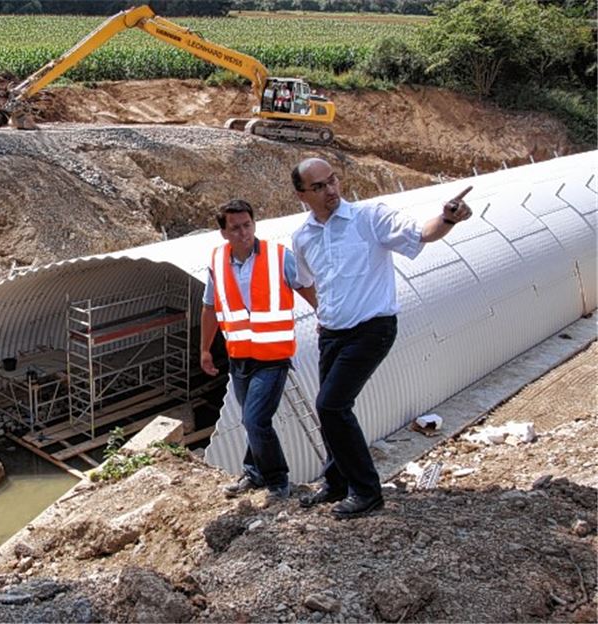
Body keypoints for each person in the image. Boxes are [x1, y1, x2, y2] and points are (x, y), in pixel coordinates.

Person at [290, 157, 473, 519]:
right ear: (301, 195)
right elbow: (304, 280)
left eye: (333, 181)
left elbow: (421, 232)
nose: (331, 190)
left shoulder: (369, 218)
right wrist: (324, 312)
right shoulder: (303, 237)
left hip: (371, 329)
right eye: (320, 186)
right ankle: (336, 483)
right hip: (332, 334)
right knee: (331, 411)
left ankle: (366, 491)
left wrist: (448, 218)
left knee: (331, 406)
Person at [200, 199, 317, 500]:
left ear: (254, 224)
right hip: (239, 357)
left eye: (247, 225)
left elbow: (307, 287)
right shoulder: (216, 261)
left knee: (255, 420)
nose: (243, 233)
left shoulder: (279, 257)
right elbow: (210, 307)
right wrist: (205, 350)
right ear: (224, 233)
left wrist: (327, 318)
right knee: (251, 419)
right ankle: (254, 473)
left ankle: (278, 481)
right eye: (235, 228)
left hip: (273, 356)